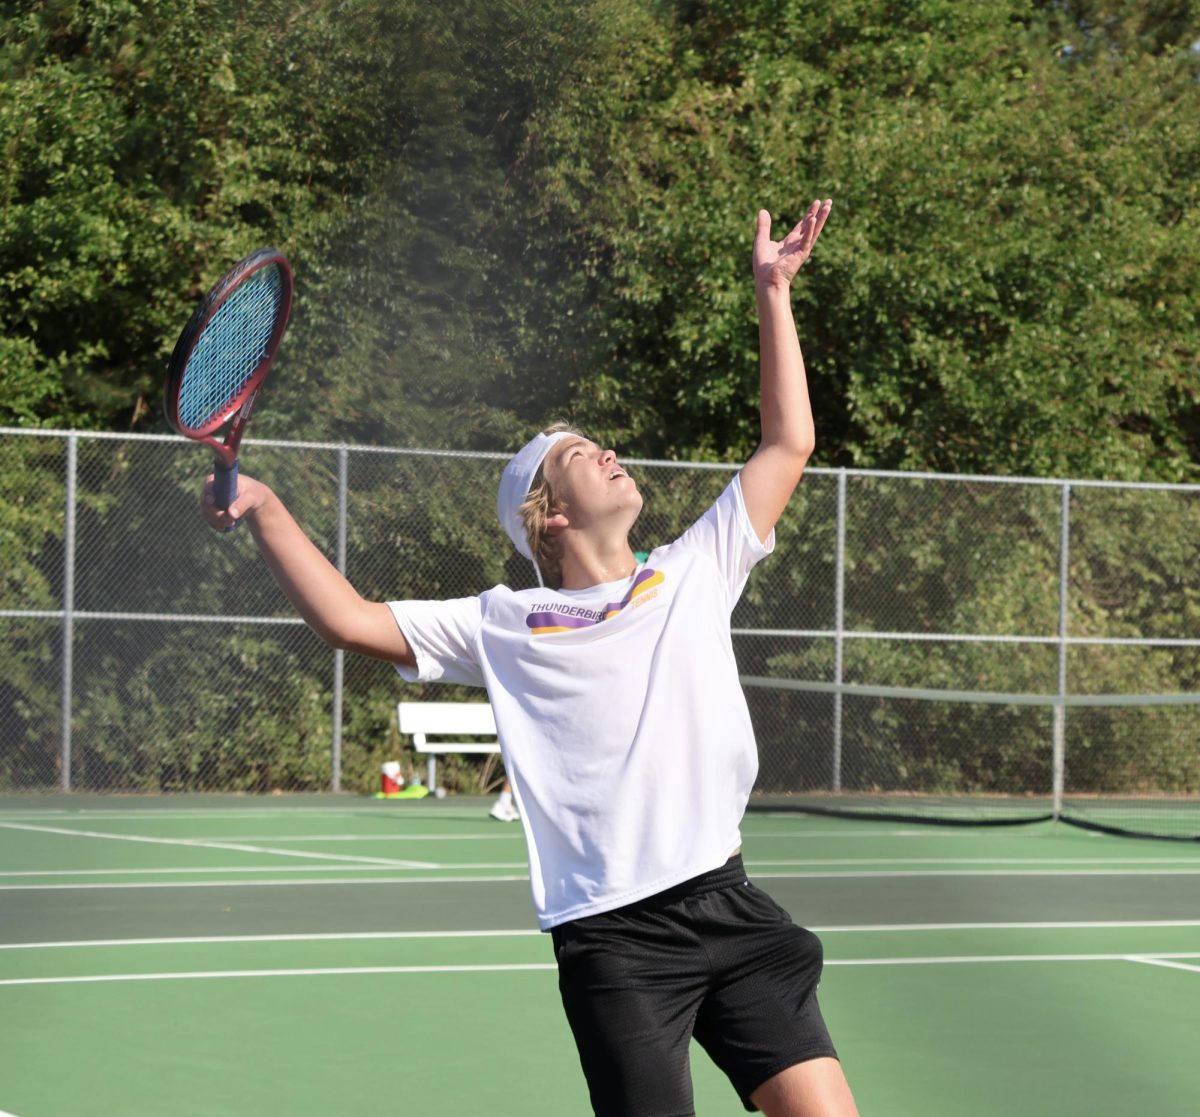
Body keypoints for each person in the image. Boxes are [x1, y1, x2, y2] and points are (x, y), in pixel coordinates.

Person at [201, 199, 856, 1117]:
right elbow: (349, 619)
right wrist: (267, 508)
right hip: (616, 943)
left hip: (730, 902)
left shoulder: (695, 567)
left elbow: (790, 441)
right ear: (549, 514)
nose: (613, 452)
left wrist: (771, 290)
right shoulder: (503, 622)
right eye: (588, 454)